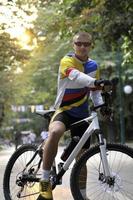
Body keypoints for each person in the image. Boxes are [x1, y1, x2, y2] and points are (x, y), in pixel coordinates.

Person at [37, 31, 107, 200]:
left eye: (86, 44)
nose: (82, 47)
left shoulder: (94, 66)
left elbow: (95, 93)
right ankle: (45, 183)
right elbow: (76, 76)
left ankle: (82, 196)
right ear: (73, 45)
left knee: (82, 159)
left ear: (91, 46)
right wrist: (95, 82)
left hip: (82, 114)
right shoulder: (67, 61)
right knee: (55, 132)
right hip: (63, 111)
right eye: (79, 43)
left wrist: (101, 106)